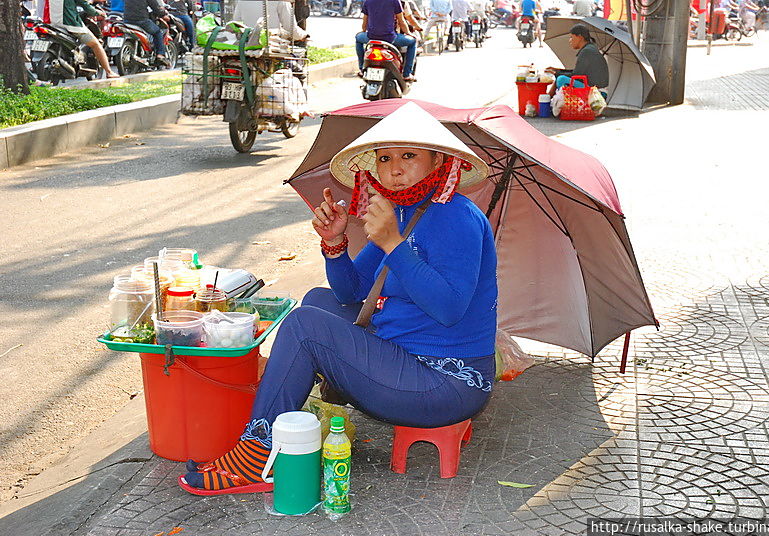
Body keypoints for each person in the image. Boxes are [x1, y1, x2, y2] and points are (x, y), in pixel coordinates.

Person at [178, 102, 498, 495]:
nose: (395, 168)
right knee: (316, 300)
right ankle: (295, 400)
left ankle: (257, 455)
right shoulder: (402, 212)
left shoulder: (456, 218)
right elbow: (350, 292)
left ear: (439, 162)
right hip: (405, 357)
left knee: (304, 327)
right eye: (385, 158)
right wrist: (335, 243)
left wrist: (394, 246)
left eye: (409, 156)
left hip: (445, 383)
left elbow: (449, 310)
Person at [45, 0, 120, 77]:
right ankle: (109, 72)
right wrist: (99, 13)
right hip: (71, 25)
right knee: (96, 44)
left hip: (53, 23)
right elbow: (87, 7)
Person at [356, 0, 418, 81]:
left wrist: (364, 31)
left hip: (371, 37)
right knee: (412, 42)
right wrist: (409, 33)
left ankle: (361, 68)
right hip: (390, 38)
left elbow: (365, 22)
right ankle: (406, 74)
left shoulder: (368, 1)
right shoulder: (395, 1)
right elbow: (401, 21)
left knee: (358, 38)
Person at [546, 24, 608, 95]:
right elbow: (578, 71)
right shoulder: (590, 48)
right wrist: (558, 70)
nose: (570, 40)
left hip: (596, 91)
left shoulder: (587, 51)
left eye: (572, 37)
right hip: (593, 87)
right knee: (560, 77)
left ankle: (548, 99)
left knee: (561, 79)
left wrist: (557, 73)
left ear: (580, 37)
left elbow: (577, 75)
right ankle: (548, 98)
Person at [123, 0, 168, 65]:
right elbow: (155, 7)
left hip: (127, 20)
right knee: (158, 32)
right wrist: (163, 13)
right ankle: (160, 54)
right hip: (141, 20)